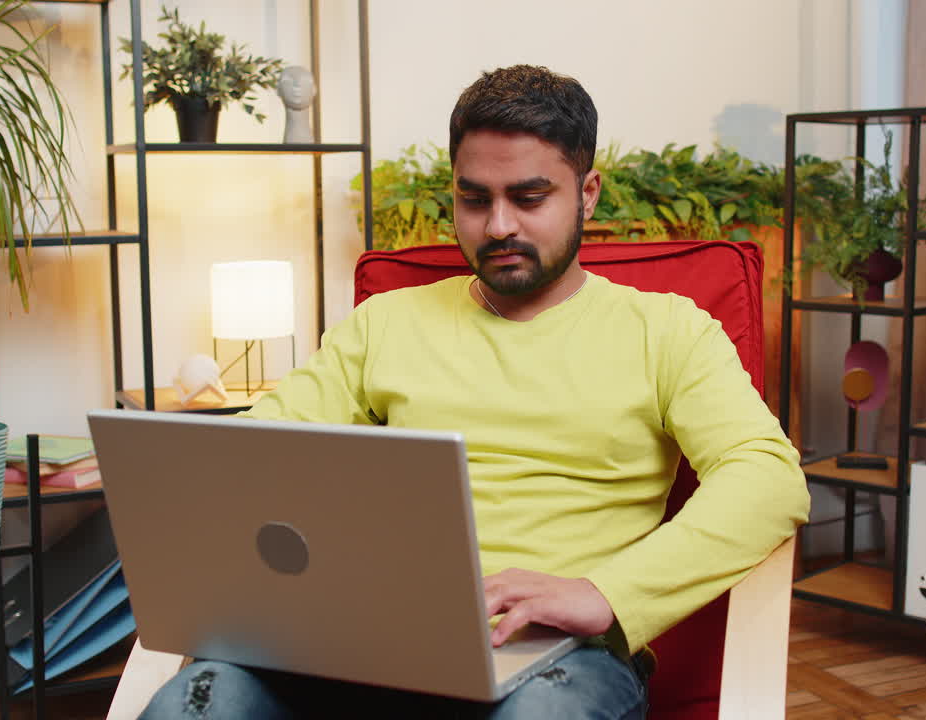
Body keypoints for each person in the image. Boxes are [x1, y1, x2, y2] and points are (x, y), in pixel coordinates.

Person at [140, 64, 808, 720]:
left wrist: (604, 593)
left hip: (560, 662)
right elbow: (253, 450)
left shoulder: (667, 332)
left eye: (529, 197)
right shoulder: (386, 324)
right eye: (475, 198)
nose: (497, 227)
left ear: (589, 192)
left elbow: (769, 480)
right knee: (194, 703)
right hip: (372, 646)